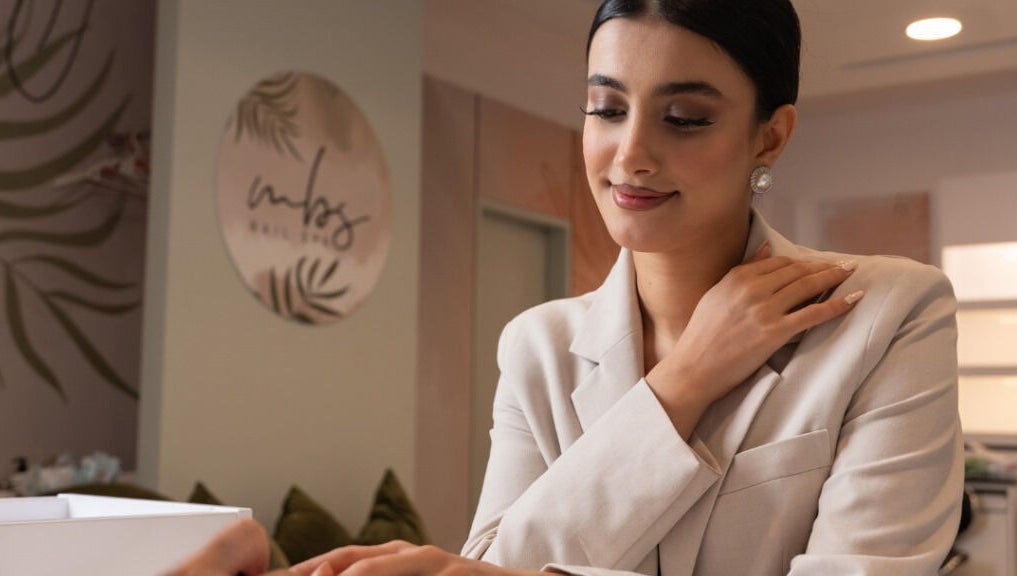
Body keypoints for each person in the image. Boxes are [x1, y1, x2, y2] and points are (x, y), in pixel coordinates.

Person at [170, 0, 963, 574]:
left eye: (683, 117)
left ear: (770, 134)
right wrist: (682, 384)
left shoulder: (889, 314)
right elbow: (495, 562)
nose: (630, 155)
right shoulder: (537, 347)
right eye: (604, 108)